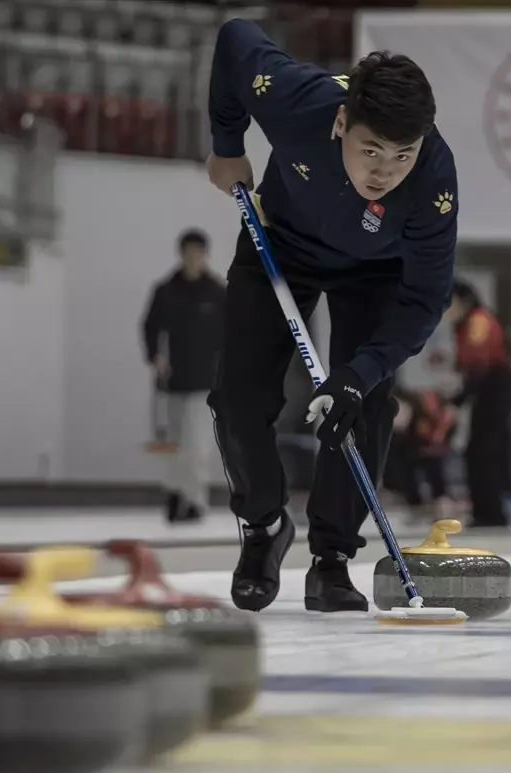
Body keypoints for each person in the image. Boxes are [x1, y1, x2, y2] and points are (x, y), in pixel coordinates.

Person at [204, 18, 458, 613]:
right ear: (342, 121)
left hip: (376, 273)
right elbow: (237, 37)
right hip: (281, 241)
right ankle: (264, 526)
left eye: (402, 155)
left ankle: (332, 559)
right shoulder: (300, 102)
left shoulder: (432, 183)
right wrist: (227, 146)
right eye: (370, 150)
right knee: (238, 397)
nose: (384, 172)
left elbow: (425, 299)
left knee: (362, 408)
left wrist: (358, 374)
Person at [141, 228, 226, 524]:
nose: (193, 259)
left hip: (206, 383)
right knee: (173, 445)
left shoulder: (217, 293)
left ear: (205, 255)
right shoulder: (166, 291)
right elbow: (150, 327)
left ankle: (195, 501)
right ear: (181, 255)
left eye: (198, 253)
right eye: (188, 253)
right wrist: (155, 356)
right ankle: (175, 496)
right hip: (173, 383)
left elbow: (231, 336)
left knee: (198, 446)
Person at [447, 281, 511, 527]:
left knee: (484, 451)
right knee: (478, 451)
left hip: (493, 387)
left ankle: (491, 513)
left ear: (464, 301)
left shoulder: (477, 322)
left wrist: (458, 400)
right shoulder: (466, 325)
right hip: (485, 389)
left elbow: (479, 364)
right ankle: (485, 510)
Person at [386, 386, 458, 523]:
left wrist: (438, 443)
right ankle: (415, 504)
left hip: (433, 451)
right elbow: (405, 436)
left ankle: (440, 503)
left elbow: (447, 433)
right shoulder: (413, 414)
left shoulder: (445, 414)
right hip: (414, 451)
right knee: (409, 474)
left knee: (435, 473)